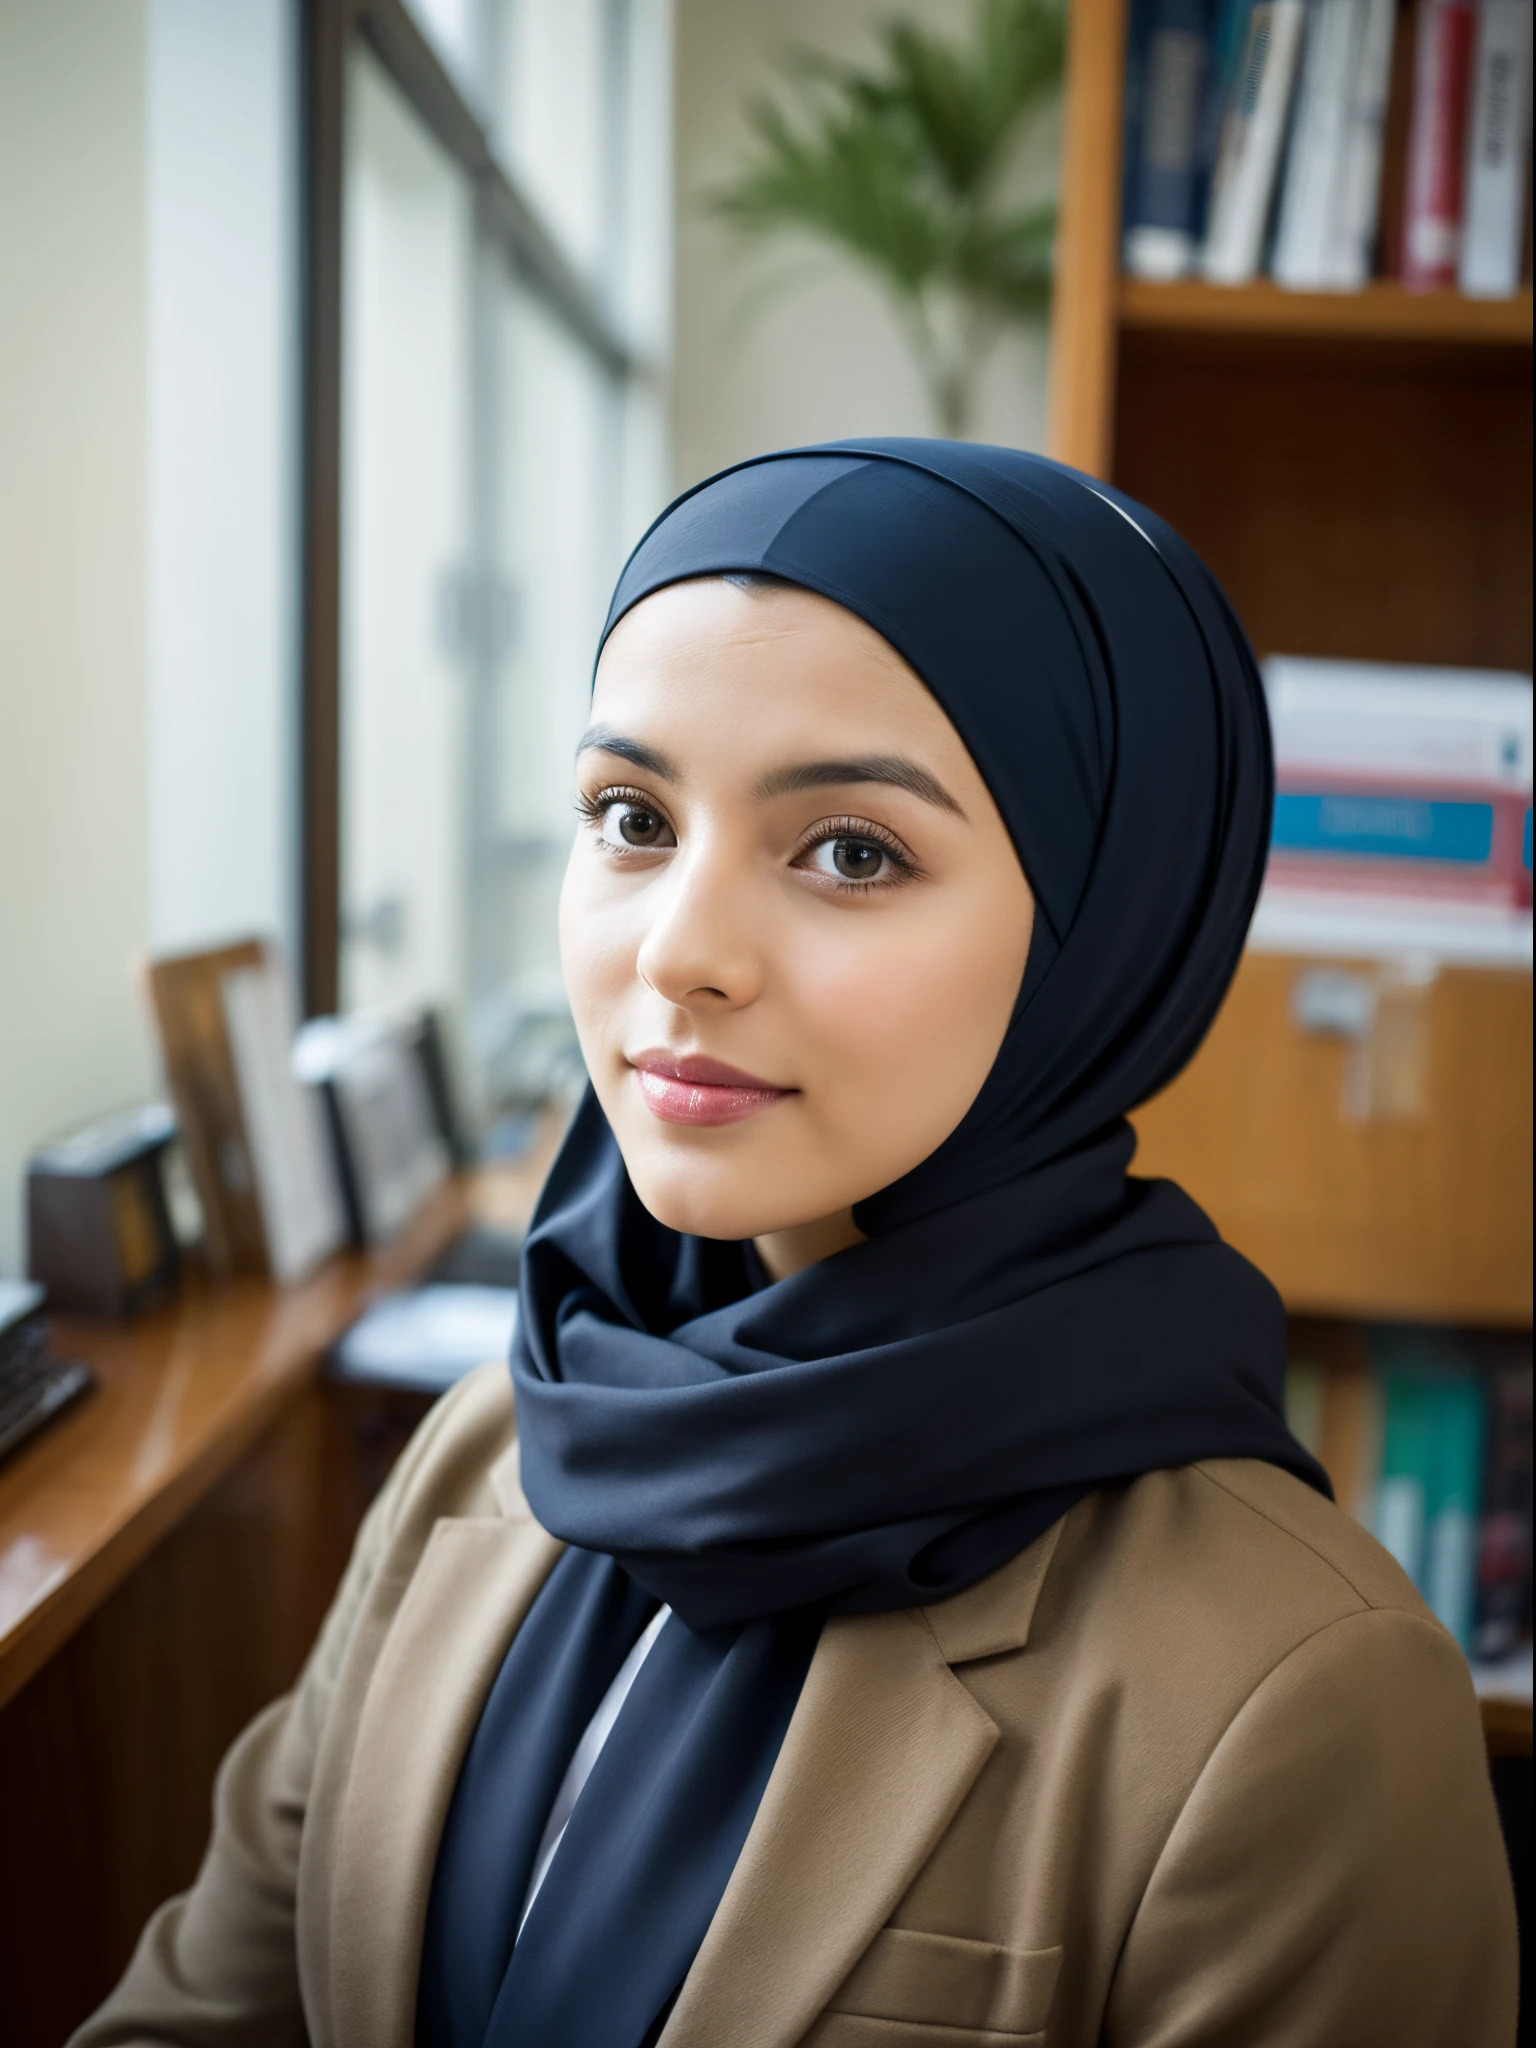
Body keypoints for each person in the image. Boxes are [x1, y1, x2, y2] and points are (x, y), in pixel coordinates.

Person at [72, 443, 1517, 2048]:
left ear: (1103, 936)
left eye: (851, 851)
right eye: (630, 816)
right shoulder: (491, 1452)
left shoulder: (1305, 1694)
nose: (681, 952)